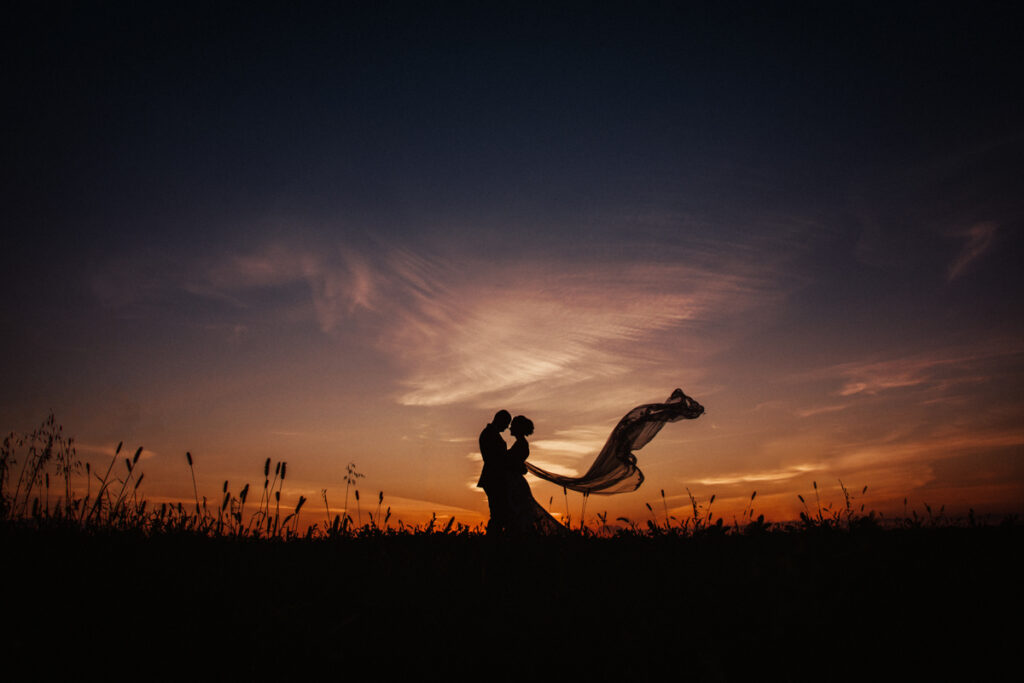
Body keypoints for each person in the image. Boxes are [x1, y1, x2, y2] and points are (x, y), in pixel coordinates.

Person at [504, 415, 564, 535]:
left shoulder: (521, 444)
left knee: (518, 514)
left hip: (515, 483)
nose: (509, 428)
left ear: (518, 428)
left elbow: (513, 464)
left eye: (512, 426)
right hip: (515, 482)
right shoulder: (521, 443)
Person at [476, 409, 512, 535]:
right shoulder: (489, 434)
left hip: (495, 478)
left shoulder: (491, 433)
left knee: (499, 513)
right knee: (498, 514)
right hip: (493, 478)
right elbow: (493, 458)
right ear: (500, 420)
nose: (507, 427)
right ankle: (492, 540)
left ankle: (494, 539)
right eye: (506, 423)